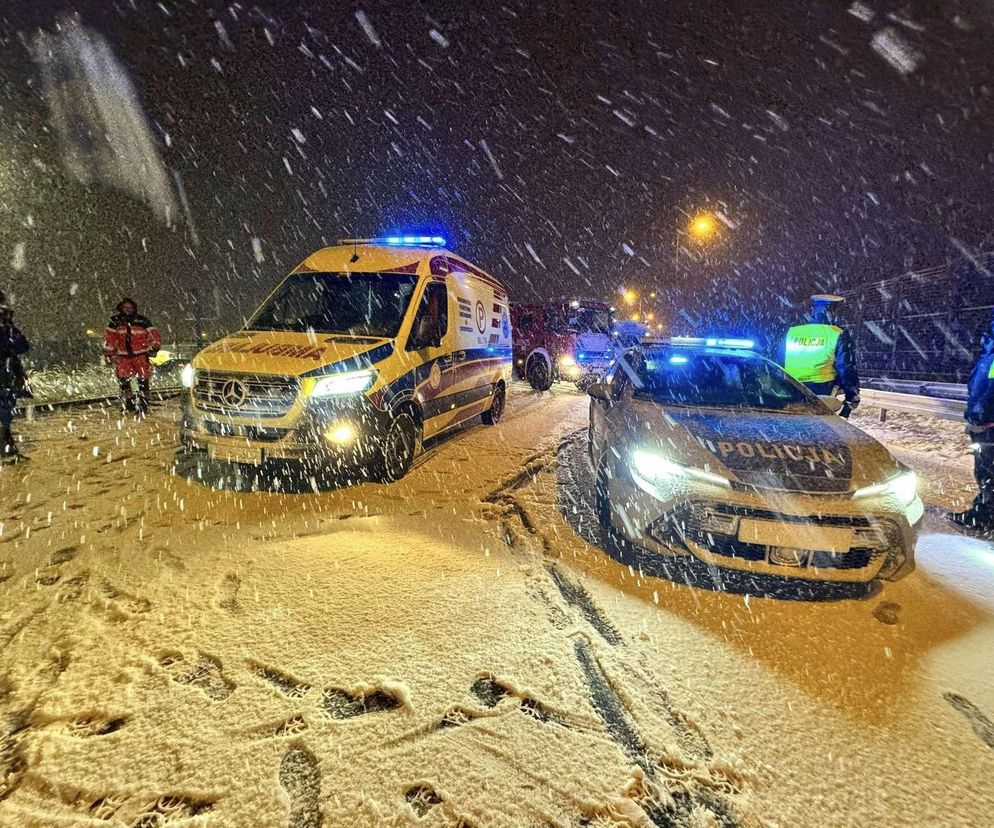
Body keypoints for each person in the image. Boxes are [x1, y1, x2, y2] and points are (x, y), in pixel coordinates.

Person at [781, 294, 860, 417]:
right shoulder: (837, 334)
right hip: (821, 388)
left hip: (790, 386)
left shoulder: (793, 332)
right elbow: (845, 367)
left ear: (812, 311)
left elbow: (777, 361)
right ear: (833, 311)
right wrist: (851, 395)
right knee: (818, 426)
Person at [951, 318, 994, 532]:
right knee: (986, 471)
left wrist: (980, 414)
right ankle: (983, 513)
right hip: (985, 422)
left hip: (988, 425)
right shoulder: (990, 356)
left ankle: (984, 516)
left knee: (988, 471)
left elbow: (990, 390)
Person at [103, 298, 161, 416]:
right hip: (123, 356)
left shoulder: (143, 320)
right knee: (124, 381)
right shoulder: (115, 321)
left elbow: (154, 335)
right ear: (121, 308)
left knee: (143, 381)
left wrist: (154, 347)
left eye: (130, 308)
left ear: (134, 308)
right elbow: (111, 339)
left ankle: (143, 405)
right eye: (125, 308)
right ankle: (129, 404)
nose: (128, 310)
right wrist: (111, 354)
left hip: (140, 355)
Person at [0, 299, 30, 461]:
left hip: (6, 373)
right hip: (6, 372)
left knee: (6, 409)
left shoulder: (7, 326)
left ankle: (7, 443)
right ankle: (6, 445)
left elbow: (22, 346)